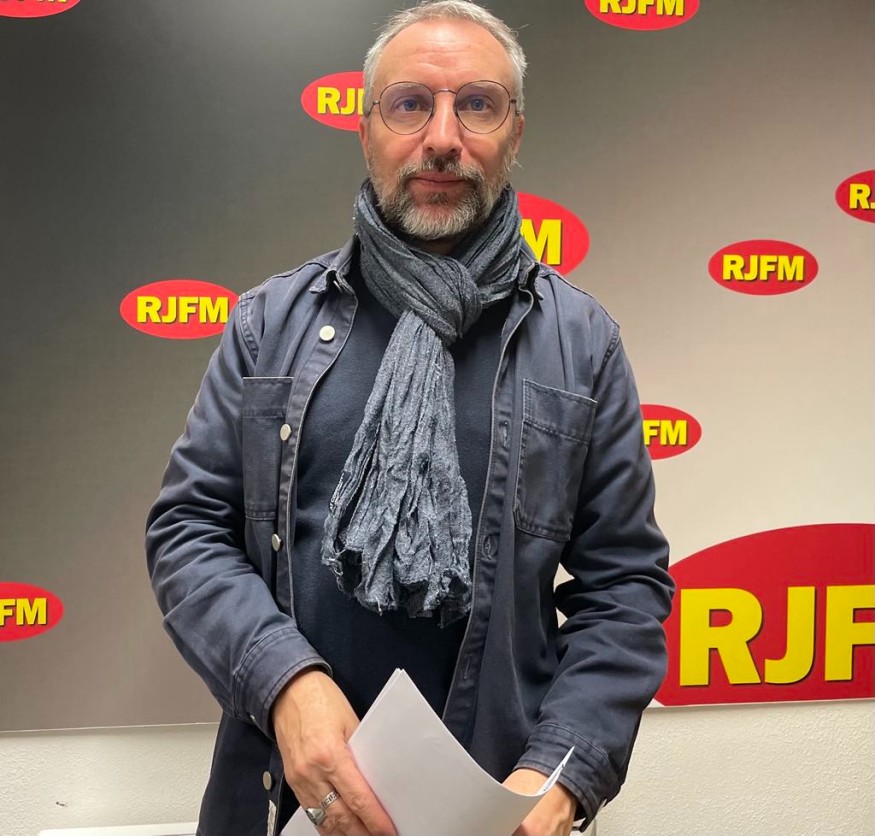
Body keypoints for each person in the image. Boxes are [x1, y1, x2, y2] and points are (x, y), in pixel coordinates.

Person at [146, 2, 674, 834]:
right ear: (365, 130)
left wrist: (560, 775)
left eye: (477, 104)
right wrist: (284, 684)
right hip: (289, 798)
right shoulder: (266, 327)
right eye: (409, 105)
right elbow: (188, 531)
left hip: (494, 809)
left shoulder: (582, 344)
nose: (442, 138)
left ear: (514, 132)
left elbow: (623, 588)